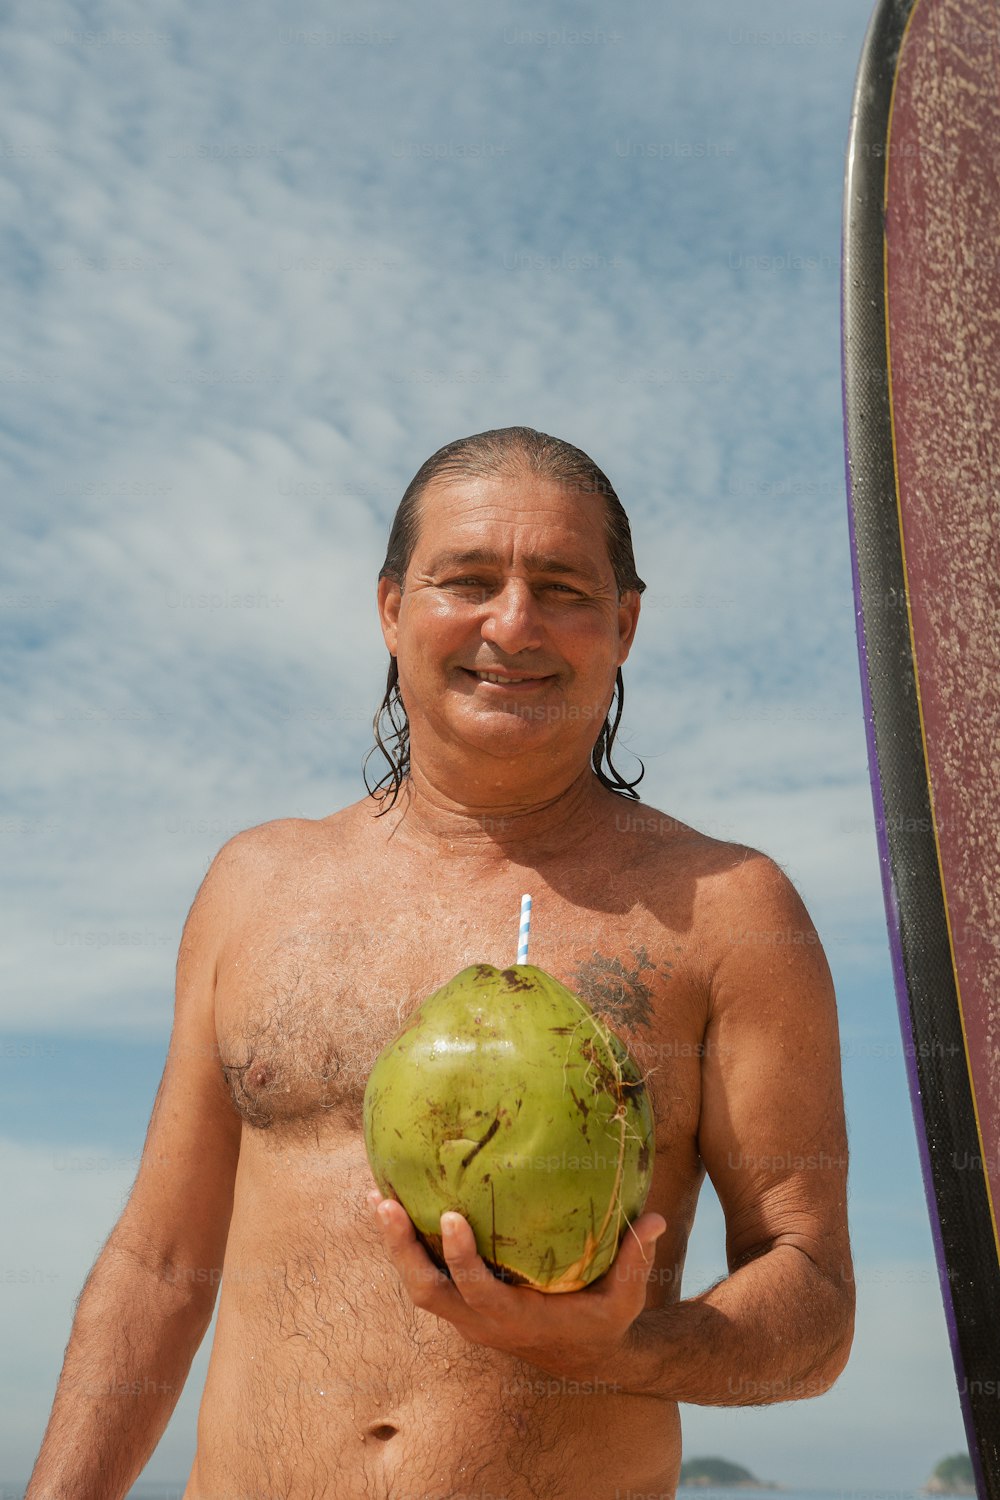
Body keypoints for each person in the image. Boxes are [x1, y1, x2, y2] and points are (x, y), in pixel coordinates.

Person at [27, 426, 854, 1500]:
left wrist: (619, 1351)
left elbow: (815, 1299)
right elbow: (158, 1265)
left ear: (624, 625)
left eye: (560, 587)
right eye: (466, 580)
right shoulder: (256, 885)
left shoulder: (729, 911)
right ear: (390, 609)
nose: (511, 624)